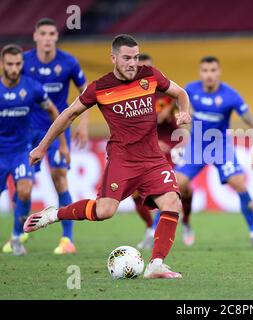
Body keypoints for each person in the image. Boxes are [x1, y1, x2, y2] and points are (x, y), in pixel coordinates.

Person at [23, 34, 192, 279]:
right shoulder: (100, 88)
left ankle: (156, 264)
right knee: (104, 211)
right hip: (122, 159)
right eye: (126, 58)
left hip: (153, 159)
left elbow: (181, 93)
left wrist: (184, 113)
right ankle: (54, 214)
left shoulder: (150, 75)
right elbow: (67, 115)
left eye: (135, 57)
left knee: (172, 202)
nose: (133, 63)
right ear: (113, 58)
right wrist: (41, 147)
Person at [5, 18, 88, 255]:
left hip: (57, 128)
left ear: (56, 37)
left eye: (52, 33)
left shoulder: (68, 62)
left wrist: (82, 123)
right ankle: (19, 235)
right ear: (35, 36)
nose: (48, 38)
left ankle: (67, 239)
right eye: (44, 33)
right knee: (24, 186)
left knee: (60, 177)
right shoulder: (24, 62)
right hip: (27, 131)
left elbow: (87, 92)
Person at [175, 56, 253, 248]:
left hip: (220, 147)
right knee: (175, 186)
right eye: (205, 71)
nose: (209, 75)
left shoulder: (231, 96)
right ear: (200, 73)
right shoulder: (190, 90)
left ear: (219, 72)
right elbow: (176, 109)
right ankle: (170, 228)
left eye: (213, 70)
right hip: (197, 146)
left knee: (240, 184)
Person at [0, 44, 69, 255]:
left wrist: (63, 144)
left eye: (17, 64)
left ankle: (16, 237)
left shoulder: (33, 88)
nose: (14, 68)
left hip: (22, 150)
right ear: (2, 64)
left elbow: (53, 111)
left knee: (25, 189)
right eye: (9, 64)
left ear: (22, 64)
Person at [133, 54, 194, 250]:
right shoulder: (128, 96)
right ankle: (151, 228)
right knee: (135, 193)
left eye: (148, 68)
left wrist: (183, 133)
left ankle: (185, 223)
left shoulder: (166, 93)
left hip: (168, 148)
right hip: (143, 148)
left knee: (182, 188)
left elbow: (183, 117)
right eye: (140, 67)